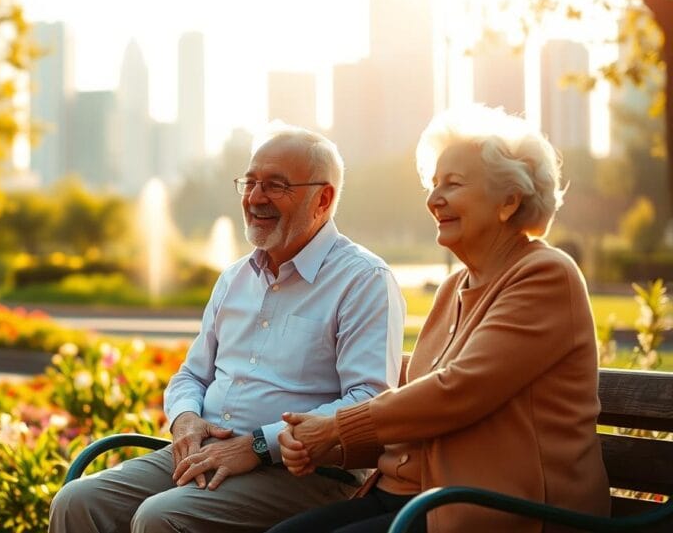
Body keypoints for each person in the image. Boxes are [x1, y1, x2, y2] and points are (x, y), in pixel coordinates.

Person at [49, 125, 406, 533]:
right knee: (77, 501)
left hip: (305, 472)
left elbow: (368, 401)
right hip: (205, 453)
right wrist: (185, 419)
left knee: (160, 518)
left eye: (275, 185)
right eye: (250, 183)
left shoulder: (363, 279)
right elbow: (191, 375)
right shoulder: (235, 278)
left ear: (322, 199)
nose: (255, 198)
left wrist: (257, 445)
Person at [271, 105, 610, 533]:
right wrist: (327, 446)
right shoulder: (454, 289)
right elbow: (412, 414)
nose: (433, 200)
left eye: (453, 185)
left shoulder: (545, 275)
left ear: (509, 200)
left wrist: (336, 428)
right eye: (433, 185)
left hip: (507, 511)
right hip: (416, 497)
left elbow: (458, 392)